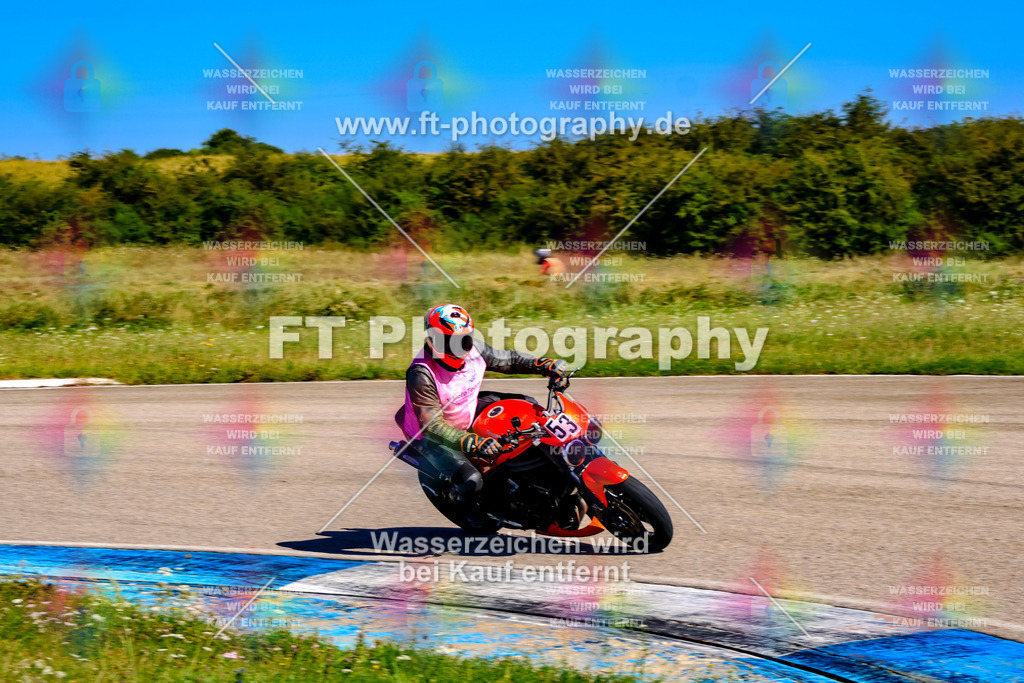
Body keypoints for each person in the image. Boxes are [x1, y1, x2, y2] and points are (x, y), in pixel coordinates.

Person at [397, 304, 567, 518]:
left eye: (464, 339)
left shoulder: (475, 349)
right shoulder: (421, 374)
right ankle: (469, 511)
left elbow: (510, 360)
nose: (460, 348)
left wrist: (541, 364)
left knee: (528, 407)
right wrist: (472, 441)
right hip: (432, 434)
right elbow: (431, 426)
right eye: (451, 341)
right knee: (471, 481)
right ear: (433, 339)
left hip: (466, 406)